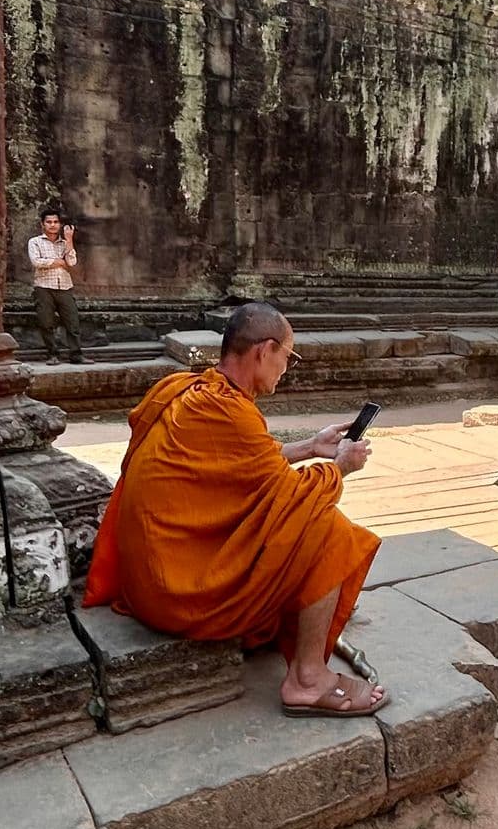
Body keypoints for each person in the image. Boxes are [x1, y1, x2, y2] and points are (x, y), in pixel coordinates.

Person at [82, 302, 387, 717]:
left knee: (298, 524)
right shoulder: (230, 413)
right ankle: (308, 679)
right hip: (176, 593)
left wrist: (309, 448)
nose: (286, 368)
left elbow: (237, 469)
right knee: (327, 529)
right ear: (264, 351)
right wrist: (339, 467)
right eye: (288, 357)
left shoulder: (188, 390)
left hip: (148, 578)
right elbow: (295, 499)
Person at [27, 207, 85, 364]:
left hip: (65, 286)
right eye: (49, 222)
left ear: (60, 224)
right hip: (43, 287)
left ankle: (76, 355)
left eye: (56, 222)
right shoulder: (35, 242)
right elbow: (36, 262)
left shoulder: (65, 243)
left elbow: (72, 262)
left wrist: (69, 239)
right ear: (42, 224)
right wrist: (59, 262)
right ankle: (52, 355)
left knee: (73, 322)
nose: (52, 225)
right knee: (46, 322)